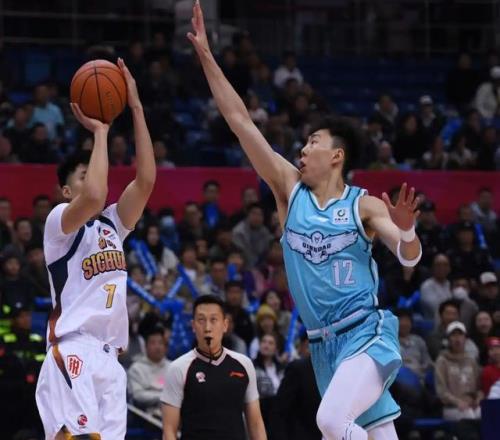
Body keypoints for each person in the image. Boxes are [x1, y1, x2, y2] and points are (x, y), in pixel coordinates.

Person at [188, 3, 422, 438]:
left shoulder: (364, 205)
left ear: (336, 155)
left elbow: (409, 257)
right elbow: (240, 121)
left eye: (313, 141)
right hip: (322, 347)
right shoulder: (288, 190)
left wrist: (407, 229)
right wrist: (206, 56)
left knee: (331, 421)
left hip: (364, 334)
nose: (303, 148)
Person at [35, 58, 157, 440]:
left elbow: (146, 180)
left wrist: (136, 107)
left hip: (111, 360)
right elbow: (94, 195)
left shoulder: (112, 225)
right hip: (74, 350)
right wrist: (101, 133)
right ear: (66, 191)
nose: (92, 179)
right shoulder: (58, 224)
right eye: (83, 175)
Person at [161, 295, 267, 440]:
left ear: (225, 325)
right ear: (193, 326)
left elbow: (256, 424)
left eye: (213, 320)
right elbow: (169, 431)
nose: (207, 328)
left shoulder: (244, 364)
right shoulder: (178, 368)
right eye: (201, 320)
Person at [128, 324, 170, 418]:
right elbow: (137, 395)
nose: (157, 347)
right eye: (153, 343)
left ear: (166, 347)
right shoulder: (136, 369)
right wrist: (162, 397)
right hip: (144, 416)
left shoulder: (173, 367)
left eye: (160, 343)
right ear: (146, 347)